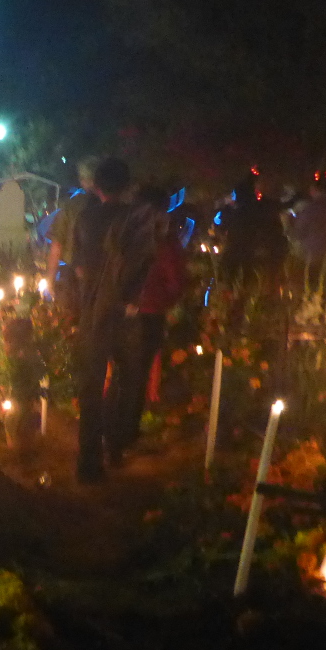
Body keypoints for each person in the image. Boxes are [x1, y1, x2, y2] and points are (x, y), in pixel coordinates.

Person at [70, 157, 155, 483]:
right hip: (124, 312)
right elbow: (144, 264)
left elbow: (76, 265)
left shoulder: (85, 217)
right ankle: (115, 446)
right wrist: (130, 299)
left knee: (91, 385)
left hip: (94, 309)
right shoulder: (137, 219)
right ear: (127, 186)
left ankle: (88, 462)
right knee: (125, 378)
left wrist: (92, 288)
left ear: (97, 186)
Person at [114, 187, 189, 452]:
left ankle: (111, 431)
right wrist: (165, 300)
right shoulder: (164, 243)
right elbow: (176, 280)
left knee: (120, 373)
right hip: (148, 313)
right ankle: (125, 435)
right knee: (137, 375)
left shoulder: (124, 236)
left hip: (119, 312)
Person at [45, 157, 100, 311]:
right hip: (103, 276)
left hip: (73, 275)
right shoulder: (109, 205)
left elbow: (57, 244)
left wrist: (50, 279)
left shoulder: (71, 206)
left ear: (83, 181)